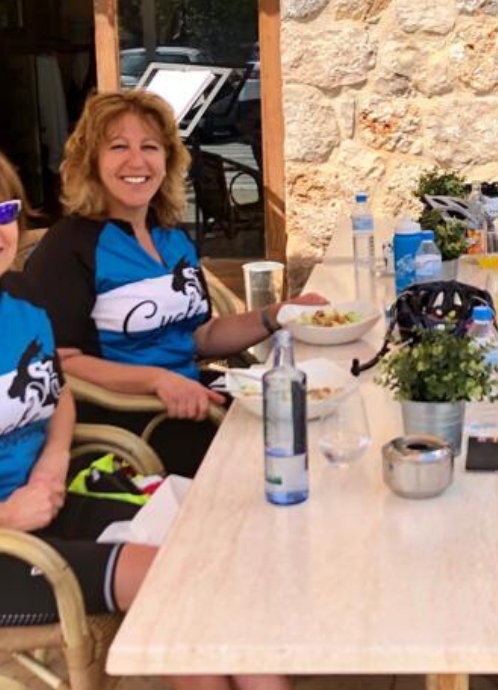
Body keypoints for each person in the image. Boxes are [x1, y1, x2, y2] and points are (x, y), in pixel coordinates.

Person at [0, 142, 285, 690]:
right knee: (175, 578)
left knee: (220, 542)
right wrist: (5, 515)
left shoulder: (20, 298)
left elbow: (57, 394)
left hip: (45, 509)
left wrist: (52, 464)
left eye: (3, 212)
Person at [24, 90, 324, 476]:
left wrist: (278, 314)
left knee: (312, 418)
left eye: (150, 147)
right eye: (118, 146)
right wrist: (157, 380)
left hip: (194, 395)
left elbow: (199, 336)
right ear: (91, 161)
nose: (137, 161)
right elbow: (58, 362)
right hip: (130, 421)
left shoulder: (170, 236)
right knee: (276, 458)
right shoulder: (68, 247)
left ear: (167, 160)